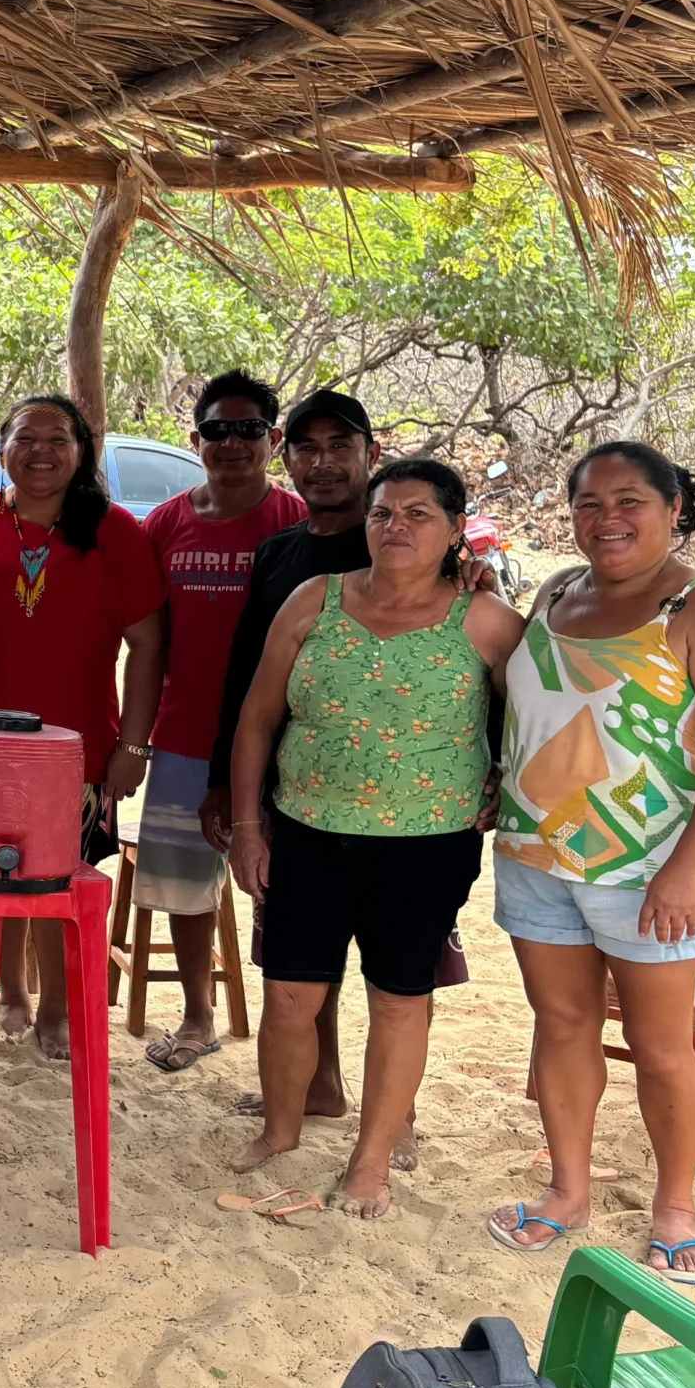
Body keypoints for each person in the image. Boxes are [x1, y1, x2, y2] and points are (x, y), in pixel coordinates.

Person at [488, 444, 695, 1284]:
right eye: (588, 503)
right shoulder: (552, 594)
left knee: (661, 1046)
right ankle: (567, 1191)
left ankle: (675, 1206)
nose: (606, 518)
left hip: (652, 873)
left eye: (629, 500)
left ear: (676, 505)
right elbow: (527, 715)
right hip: (536, 856)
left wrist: (688, 869)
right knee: (563, 1025)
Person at [228, 459, 525, 1218]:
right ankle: (281, 1130)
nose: (397, 528)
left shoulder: (485, 623)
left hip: (425, 847)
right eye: (383, 513)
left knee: (399, 1000)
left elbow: (538, 722)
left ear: (457, 530)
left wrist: (503, 779)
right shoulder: (311, 602)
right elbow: (259, 718)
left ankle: (371, 1161)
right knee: (291, 994)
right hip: (305, 833)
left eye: (419, 515)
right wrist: (248, 826)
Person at [205, 389, 479, 1157]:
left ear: (370, 454)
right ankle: (314, 1090)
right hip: (302, 803)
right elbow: (248, 689)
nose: (323, 462)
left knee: (400, 980)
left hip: (415, 816)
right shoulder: (285, 561)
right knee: (298, 972)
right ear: (286, 457)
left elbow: (491, 685)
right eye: (306, 447)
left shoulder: (439, 576)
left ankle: (398, 1121)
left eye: (340, 446)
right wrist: (232, 796)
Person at [0, 394, 165, 1057]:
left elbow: (149, 645)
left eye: (58, 439)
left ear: (83, 455)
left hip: (74, 745)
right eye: (26, 437)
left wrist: (135, 744)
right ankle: (9, 995)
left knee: (55, 875)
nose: (41, 451)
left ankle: (54, 1005)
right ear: (1, 450)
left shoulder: (114, 532)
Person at [134, 371, 307, 1073]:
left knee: (287, 890)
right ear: (194, 438)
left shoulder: (298, 521)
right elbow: (145, 641)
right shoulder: (165, 523)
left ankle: (289, 1033)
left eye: (248, 430)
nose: (231, 444)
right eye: (216, 430)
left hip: (287, 740)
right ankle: (199, 1018)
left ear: (273, 439)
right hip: (184, 734)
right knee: (184, 882)